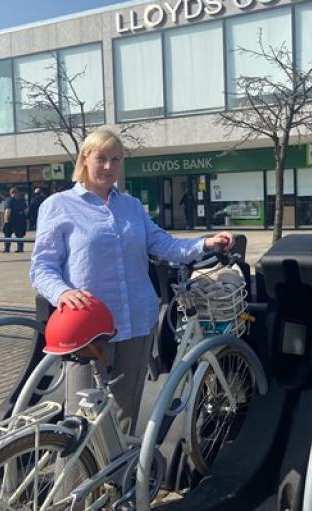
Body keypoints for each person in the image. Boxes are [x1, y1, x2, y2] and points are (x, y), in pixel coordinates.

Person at [30, 126, 234, 434]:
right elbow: (42, 267)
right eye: (102, 158)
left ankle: (116, 479)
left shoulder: (131, 206)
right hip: (88, 326)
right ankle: (75, 480)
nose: (110, 167)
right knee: (81, 421)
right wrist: (62, 293)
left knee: (125, 413)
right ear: (85, 158)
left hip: (137, 320)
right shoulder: (59, 206)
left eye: (116, 159)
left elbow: (164, 245)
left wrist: (206, 243)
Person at [1, 187, 27, 253]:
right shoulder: (22, 200)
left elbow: (8, 210)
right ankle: (20, 248)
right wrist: (25, 218)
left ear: (11, 193)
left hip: (11, 220)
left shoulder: (9, 200)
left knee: (7, 235)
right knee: (19, 235)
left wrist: (6, 219)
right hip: (20, 220)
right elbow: (26, 210)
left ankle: (7, 249)